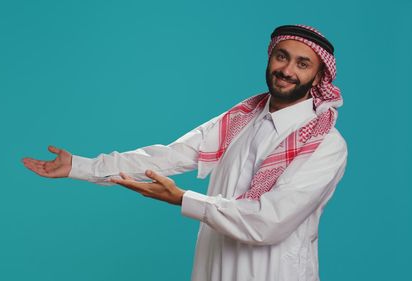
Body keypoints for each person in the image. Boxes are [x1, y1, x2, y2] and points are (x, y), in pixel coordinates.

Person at [22, 24, 347, 281]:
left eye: (302, 63)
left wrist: (183, 199)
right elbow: (167, 156)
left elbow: (268, 223)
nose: (287, 69)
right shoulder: (241, 119)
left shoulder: (326, 144)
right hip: (214, 267)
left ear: (319, 76)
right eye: (281, 56)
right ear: (269, 58)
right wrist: (81, 166)